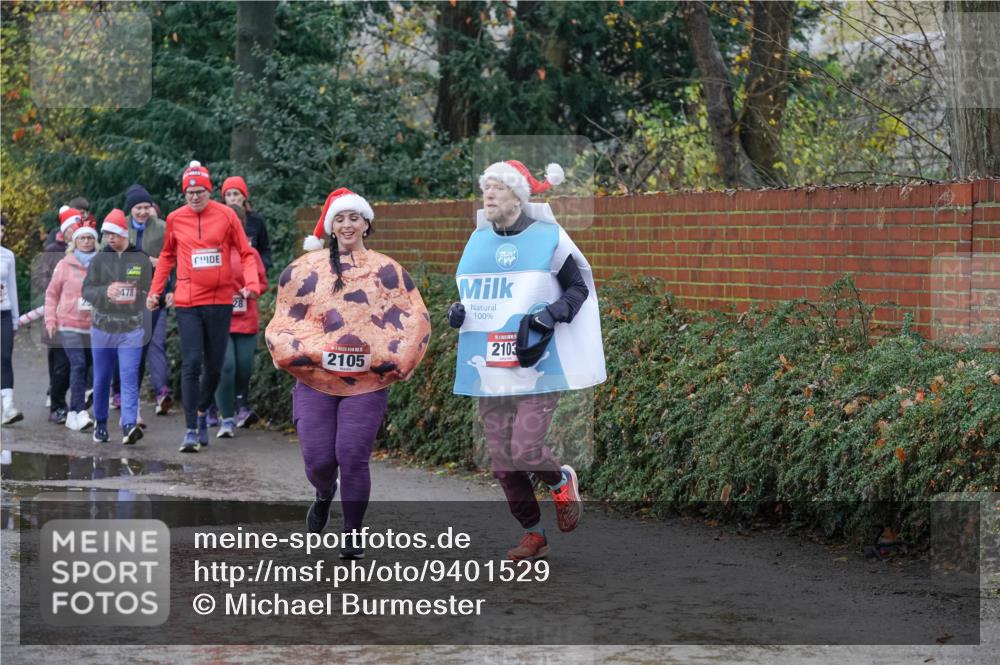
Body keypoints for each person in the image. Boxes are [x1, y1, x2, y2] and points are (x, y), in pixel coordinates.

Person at [448, 160, 606, 561]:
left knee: (525, 451)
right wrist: (458, 313)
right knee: (503, 464)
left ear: (518, 196)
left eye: (499, 187)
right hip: (490, 369)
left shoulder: (549, 237)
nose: (490, 193)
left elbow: (577, 288)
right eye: (487, 186)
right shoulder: (477, 241)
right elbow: (477, 298)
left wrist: (551, 314)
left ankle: (560, 482)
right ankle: (534, 534)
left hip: (537, 362)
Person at [267, 188, 430, 558]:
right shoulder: (306, 269)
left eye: (354, 217)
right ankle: (324, 492)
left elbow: (413, 318)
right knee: (319, 459)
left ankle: (353, 532)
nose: (347, 224)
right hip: (316, 380)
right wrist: (298, 352)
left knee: (352, 453)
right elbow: (286, 318)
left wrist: (396, 358)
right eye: (339, 218)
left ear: (366, 224)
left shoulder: (388, 270)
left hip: (367, 381)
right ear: (330, 226)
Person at [147, 161, 261, 452]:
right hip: (188, 301)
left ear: (209, 191)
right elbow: (167, 256)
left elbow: (247, 254)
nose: (195, 197)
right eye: (189, 193)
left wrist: (251, 284)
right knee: (191, 362)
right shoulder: (175, 218)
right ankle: (189, 430)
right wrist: (155, 292)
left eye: (200, 191)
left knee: (215, 367)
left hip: (221, 300)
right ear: (184, 194)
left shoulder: (226, 216)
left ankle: (201, 413)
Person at [82, 209, 152, 445]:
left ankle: (129, 425)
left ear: (124, 233)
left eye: (114, 233)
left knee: (129, 376)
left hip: (131, 329)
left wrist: (144, 296)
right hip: (102, 329)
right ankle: (100, 424)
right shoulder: (100, 259)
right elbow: (87, 291)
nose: (110, 238)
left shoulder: (140, 258)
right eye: (106, 234)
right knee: (102, 379)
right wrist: (105, 292)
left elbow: (150, 289)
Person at [111, 184, 174, 418]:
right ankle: (121, 393)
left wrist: (171, 286)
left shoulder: (162, 228)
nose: (143, 212)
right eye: (138, 208)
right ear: (130, 210)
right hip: (126, 299)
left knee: (153, 342)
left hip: (154, 295)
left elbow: (174, 256)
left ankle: (159, 391)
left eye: (147, 207)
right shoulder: (120, 229)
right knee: (126, 346)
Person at [213, 204, 267, 438]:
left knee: (244, 369)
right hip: (219, 318)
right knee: (226, 368)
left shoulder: (251, 254)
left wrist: (252, 291)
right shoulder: (212, 251)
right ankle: (226, 418)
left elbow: (263, 282)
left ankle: (235, 402)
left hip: (246, 318)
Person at [44, 220, 98, 431]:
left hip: (93, 325)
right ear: (75, 242)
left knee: (87, 368)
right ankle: (80, 411)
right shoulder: (65, 264)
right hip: (68, 324)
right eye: (82, 238)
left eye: (90, 238)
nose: (86, 241)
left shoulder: (102, 264)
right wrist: (50, 320)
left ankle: (73, 413)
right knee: (78, 364)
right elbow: (51, 293)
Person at [34, 205, 82, 423]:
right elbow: (40, 279)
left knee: (80, 363)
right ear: (65, 229)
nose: (76, 230)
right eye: (73, 226)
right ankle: (57, 406)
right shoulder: (53, 249)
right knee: (60, 365)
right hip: (58, 318)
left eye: (79, 225)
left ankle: (76, 406)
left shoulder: (86, 250)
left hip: (82, 319)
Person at [1, 212, 23, 425]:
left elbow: (13, 288)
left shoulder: (7, 255)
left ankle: (8, 408)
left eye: (1, 230)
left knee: (5, 358)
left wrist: (15, 319)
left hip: (4, 313)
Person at [222, 176, 272, 270]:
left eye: (236, 194)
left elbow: (265, 250)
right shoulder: (218, 220)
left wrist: (261, 267)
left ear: (244, 196)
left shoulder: (256, 220)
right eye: (228, 195)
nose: (232, 199)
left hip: (252, 271)